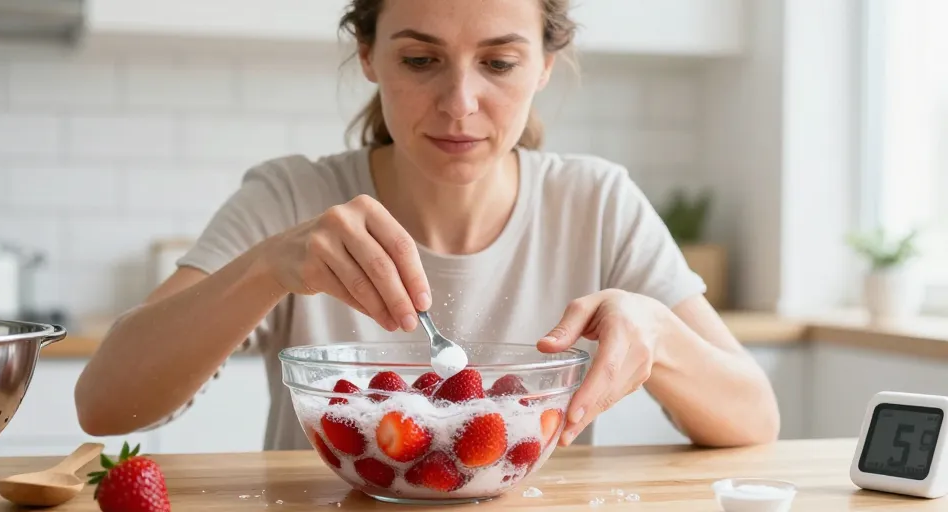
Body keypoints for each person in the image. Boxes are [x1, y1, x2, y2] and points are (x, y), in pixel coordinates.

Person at [74, 0, 780, 452]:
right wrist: (267, 269)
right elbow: (104, 405)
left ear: (543, 67)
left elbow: (755, 421)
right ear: (368, 56)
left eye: (499, 62)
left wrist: (656, 334)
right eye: (420, 60)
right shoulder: (293, 196)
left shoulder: (596, 201)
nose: (460, 103)